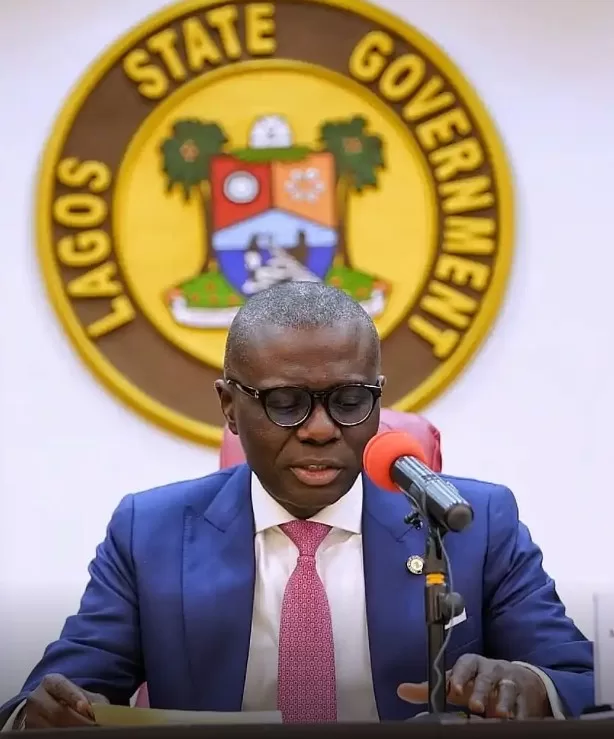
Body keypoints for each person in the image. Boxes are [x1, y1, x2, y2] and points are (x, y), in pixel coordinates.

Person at [1, 282, 593, 730]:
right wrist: (45, 714)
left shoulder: (471, 523)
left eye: (349, 400)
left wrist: (529, 685)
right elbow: (61, 691)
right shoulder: (150, 533)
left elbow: (579, 679)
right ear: (229, 407)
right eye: (285, 402)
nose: (319, 429)